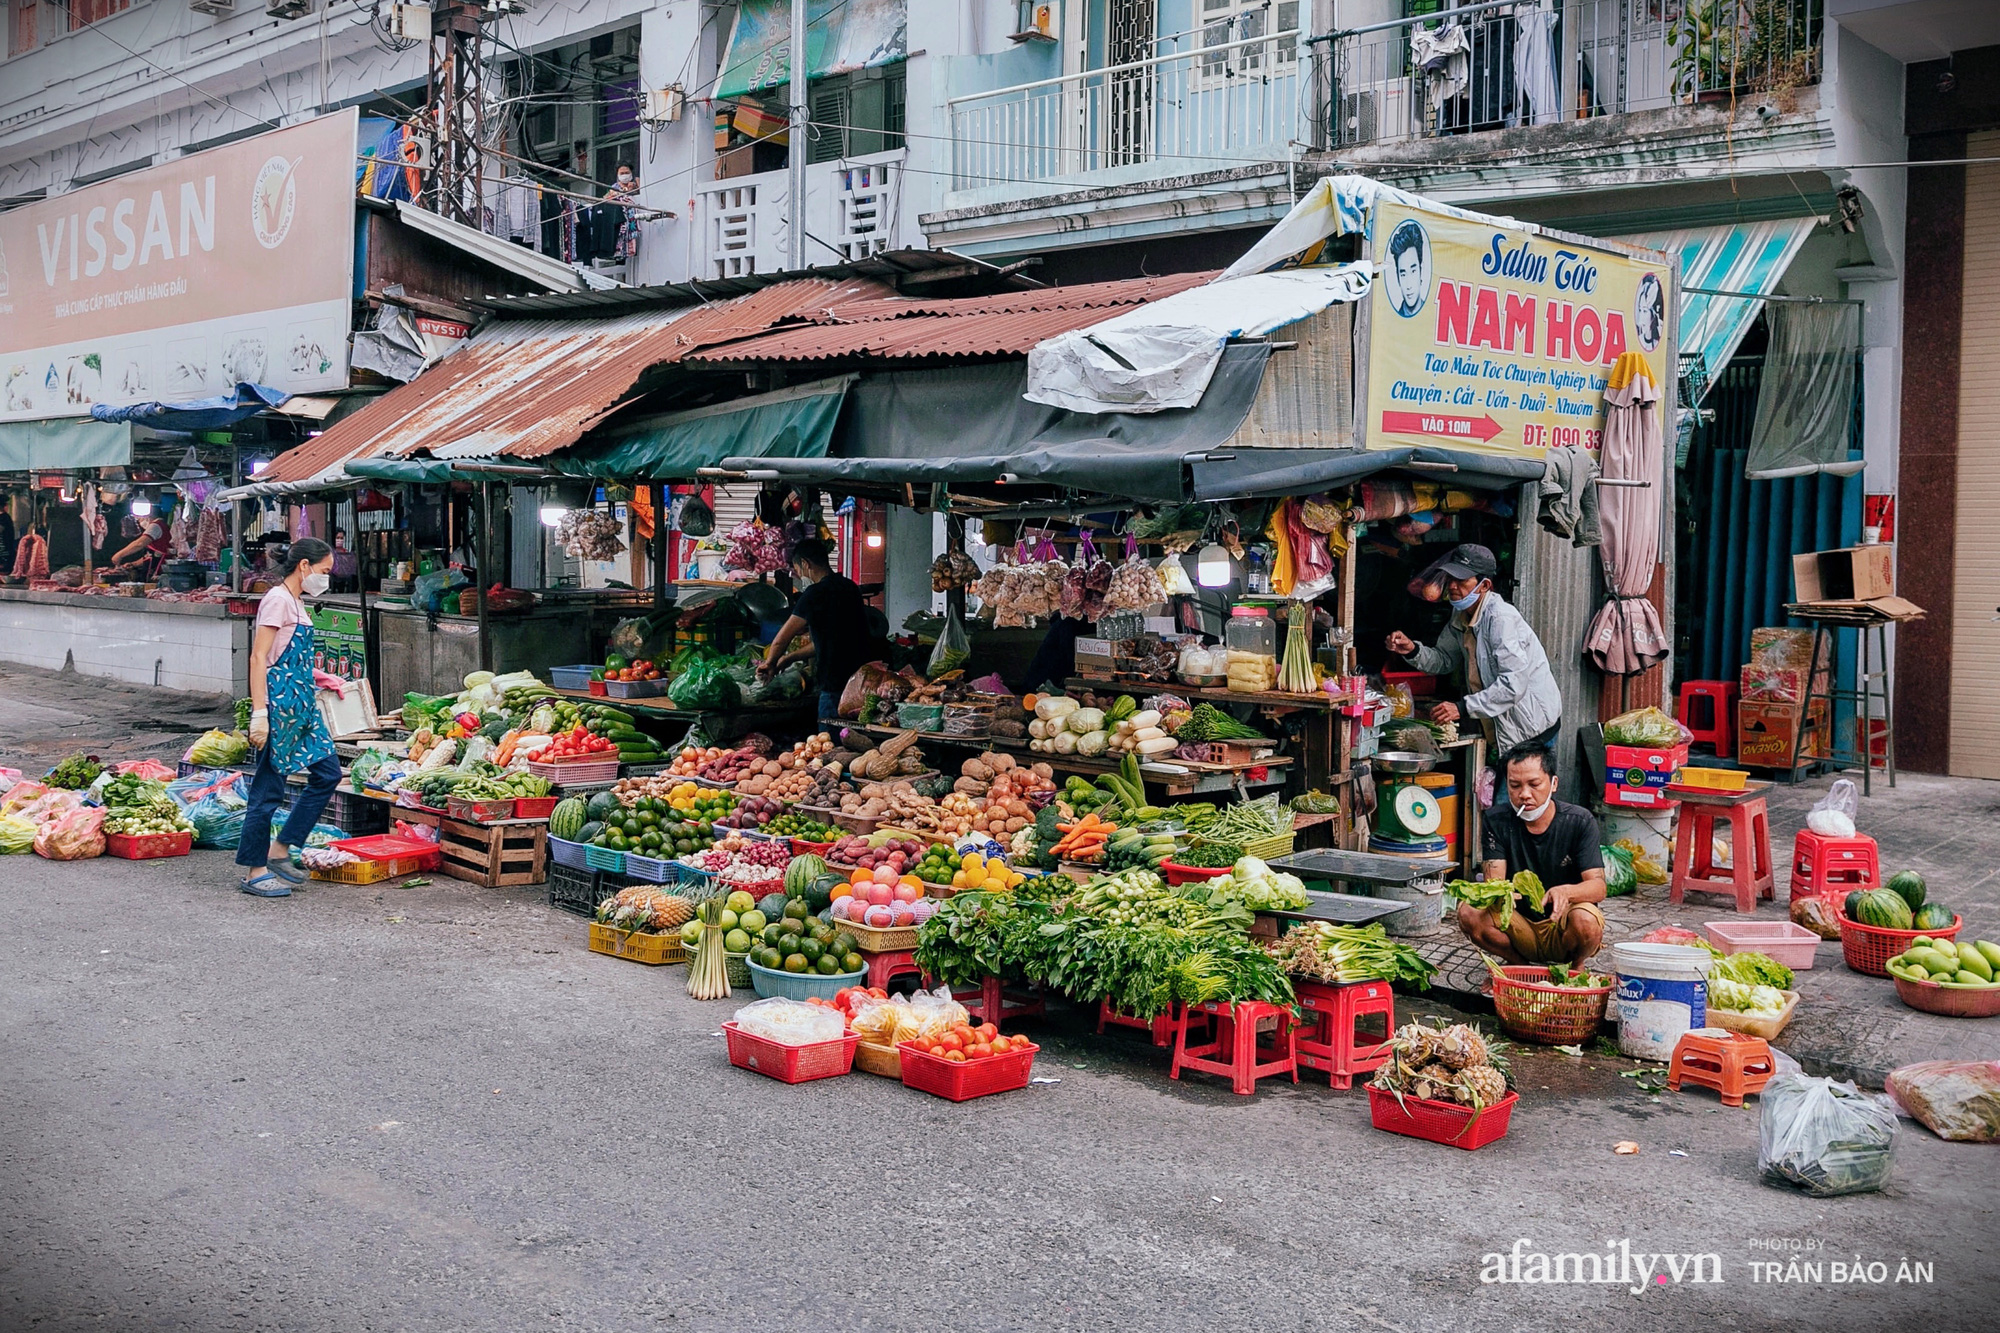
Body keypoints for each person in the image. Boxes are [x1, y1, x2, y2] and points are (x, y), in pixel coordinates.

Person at [237, 538, 351, 898]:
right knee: (268, 790)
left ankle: (282, 848)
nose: (326, 578)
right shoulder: (276, 600)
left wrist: (321, 677)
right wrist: (259, 712)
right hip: (279, 708)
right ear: (304, 566)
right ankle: (255, 871)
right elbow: (259, 659)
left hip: (302, 705)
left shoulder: (298, 603)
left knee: (328, 773)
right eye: (324, 571)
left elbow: (291, 658)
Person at [1384, 543, 1562, 767]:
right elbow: (1445, 659)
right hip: (1506, 725)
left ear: (1484, 585)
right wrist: (1413, 650)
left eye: (1461, 580)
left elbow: (1512, 685)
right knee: (1511, 797)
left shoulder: (1500, 619)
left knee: (1520, 796)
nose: (1453, 586)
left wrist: (1461, 708)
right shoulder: (1460, 614)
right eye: (1450, 579)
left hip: (1531, 727)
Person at [1456, 745, 1606, 965]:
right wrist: (1501, 891)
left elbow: (1598, 887)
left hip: (1563, 923)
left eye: (1534, 785)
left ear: (1553, 783)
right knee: (1469, 911)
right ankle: (1517, 964)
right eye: (1514, 786)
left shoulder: (1579, 821)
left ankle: (1576, 966)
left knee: (1586, 920)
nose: (1524, 795)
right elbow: (1494, 880)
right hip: (1519, 924)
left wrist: (1565, 892)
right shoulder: (1496, 820)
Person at [757, 538, 874, 722]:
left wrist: (770, 663)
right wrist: (789, 658)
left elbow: (782, 638)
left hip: (833, 686)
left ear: (805, 564)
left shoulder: (814, 593)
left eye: (797, 571)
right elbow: (825, 641)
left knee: (831, 743)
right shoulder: (849, 587)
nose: (799, 576)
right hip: (861, 683)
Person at [1386, 219, 1429, 317]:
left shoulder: (1431, 315)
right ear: (1398, 278)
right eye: (1403, 274)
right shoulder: (1389, 319)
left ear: (1421, 271)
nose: (1409, 286)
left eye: (1413, 271)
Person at [110, 511, 171, 578]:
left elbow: (139, 544)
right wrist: (134, 564)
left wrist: (119, 555)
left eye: (139, 519)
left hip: (161, 570)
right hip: (157, 569)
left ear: (148, 516)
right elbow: (151, 555)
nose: (139, 522)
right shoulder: (158, 525)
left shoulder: (156, 525)